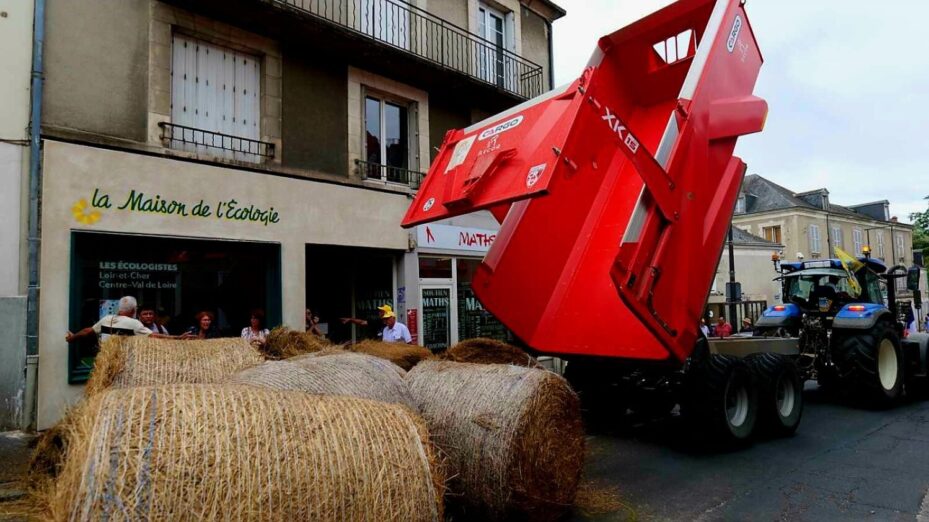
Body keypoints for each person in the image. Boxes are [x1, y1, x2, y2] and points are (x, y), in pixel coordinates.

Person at [65, 296, 159, 343]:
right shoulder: (134, 324)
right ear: (134, 310)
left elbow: (87, 331)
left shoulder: (107, 319)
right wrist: (173, 338)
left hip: (106, 364)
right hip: (124, 365)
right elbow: (155, 336)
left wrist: (72, 337)